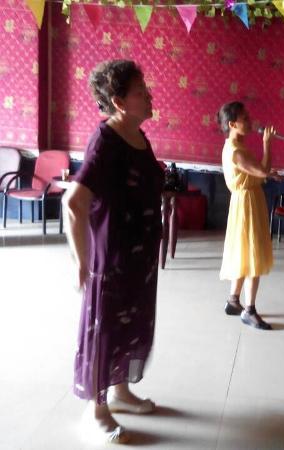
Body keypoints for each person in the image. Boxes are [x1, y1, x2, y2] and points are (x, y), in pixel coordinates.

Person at [63, 60, 163, 443]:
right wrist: (81, 261)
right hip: (112, 262)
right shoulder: (105, 141)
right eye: (140, 91)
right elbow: (74, 202)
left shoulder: (138, 136)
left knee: (131, 326)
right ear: (120, 102)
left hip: (139, 262)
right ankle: (97, 410)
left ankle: (120, 391)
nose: (149, 95)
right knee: (104, 333)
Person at [218, 101, 282, 330]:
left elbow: (254, 172)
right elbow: (260, 170)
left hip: (246, 200)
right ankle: (249, 310)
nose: (250, 121)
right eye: (245, 118)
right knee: (253, 253)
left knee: (244, 252)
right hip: (247, 204)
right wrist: (267, 143)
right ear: (232, 124)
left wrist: (268, 175)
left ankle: (233, 301)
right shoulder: (235, 151)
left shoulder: (235, 146)